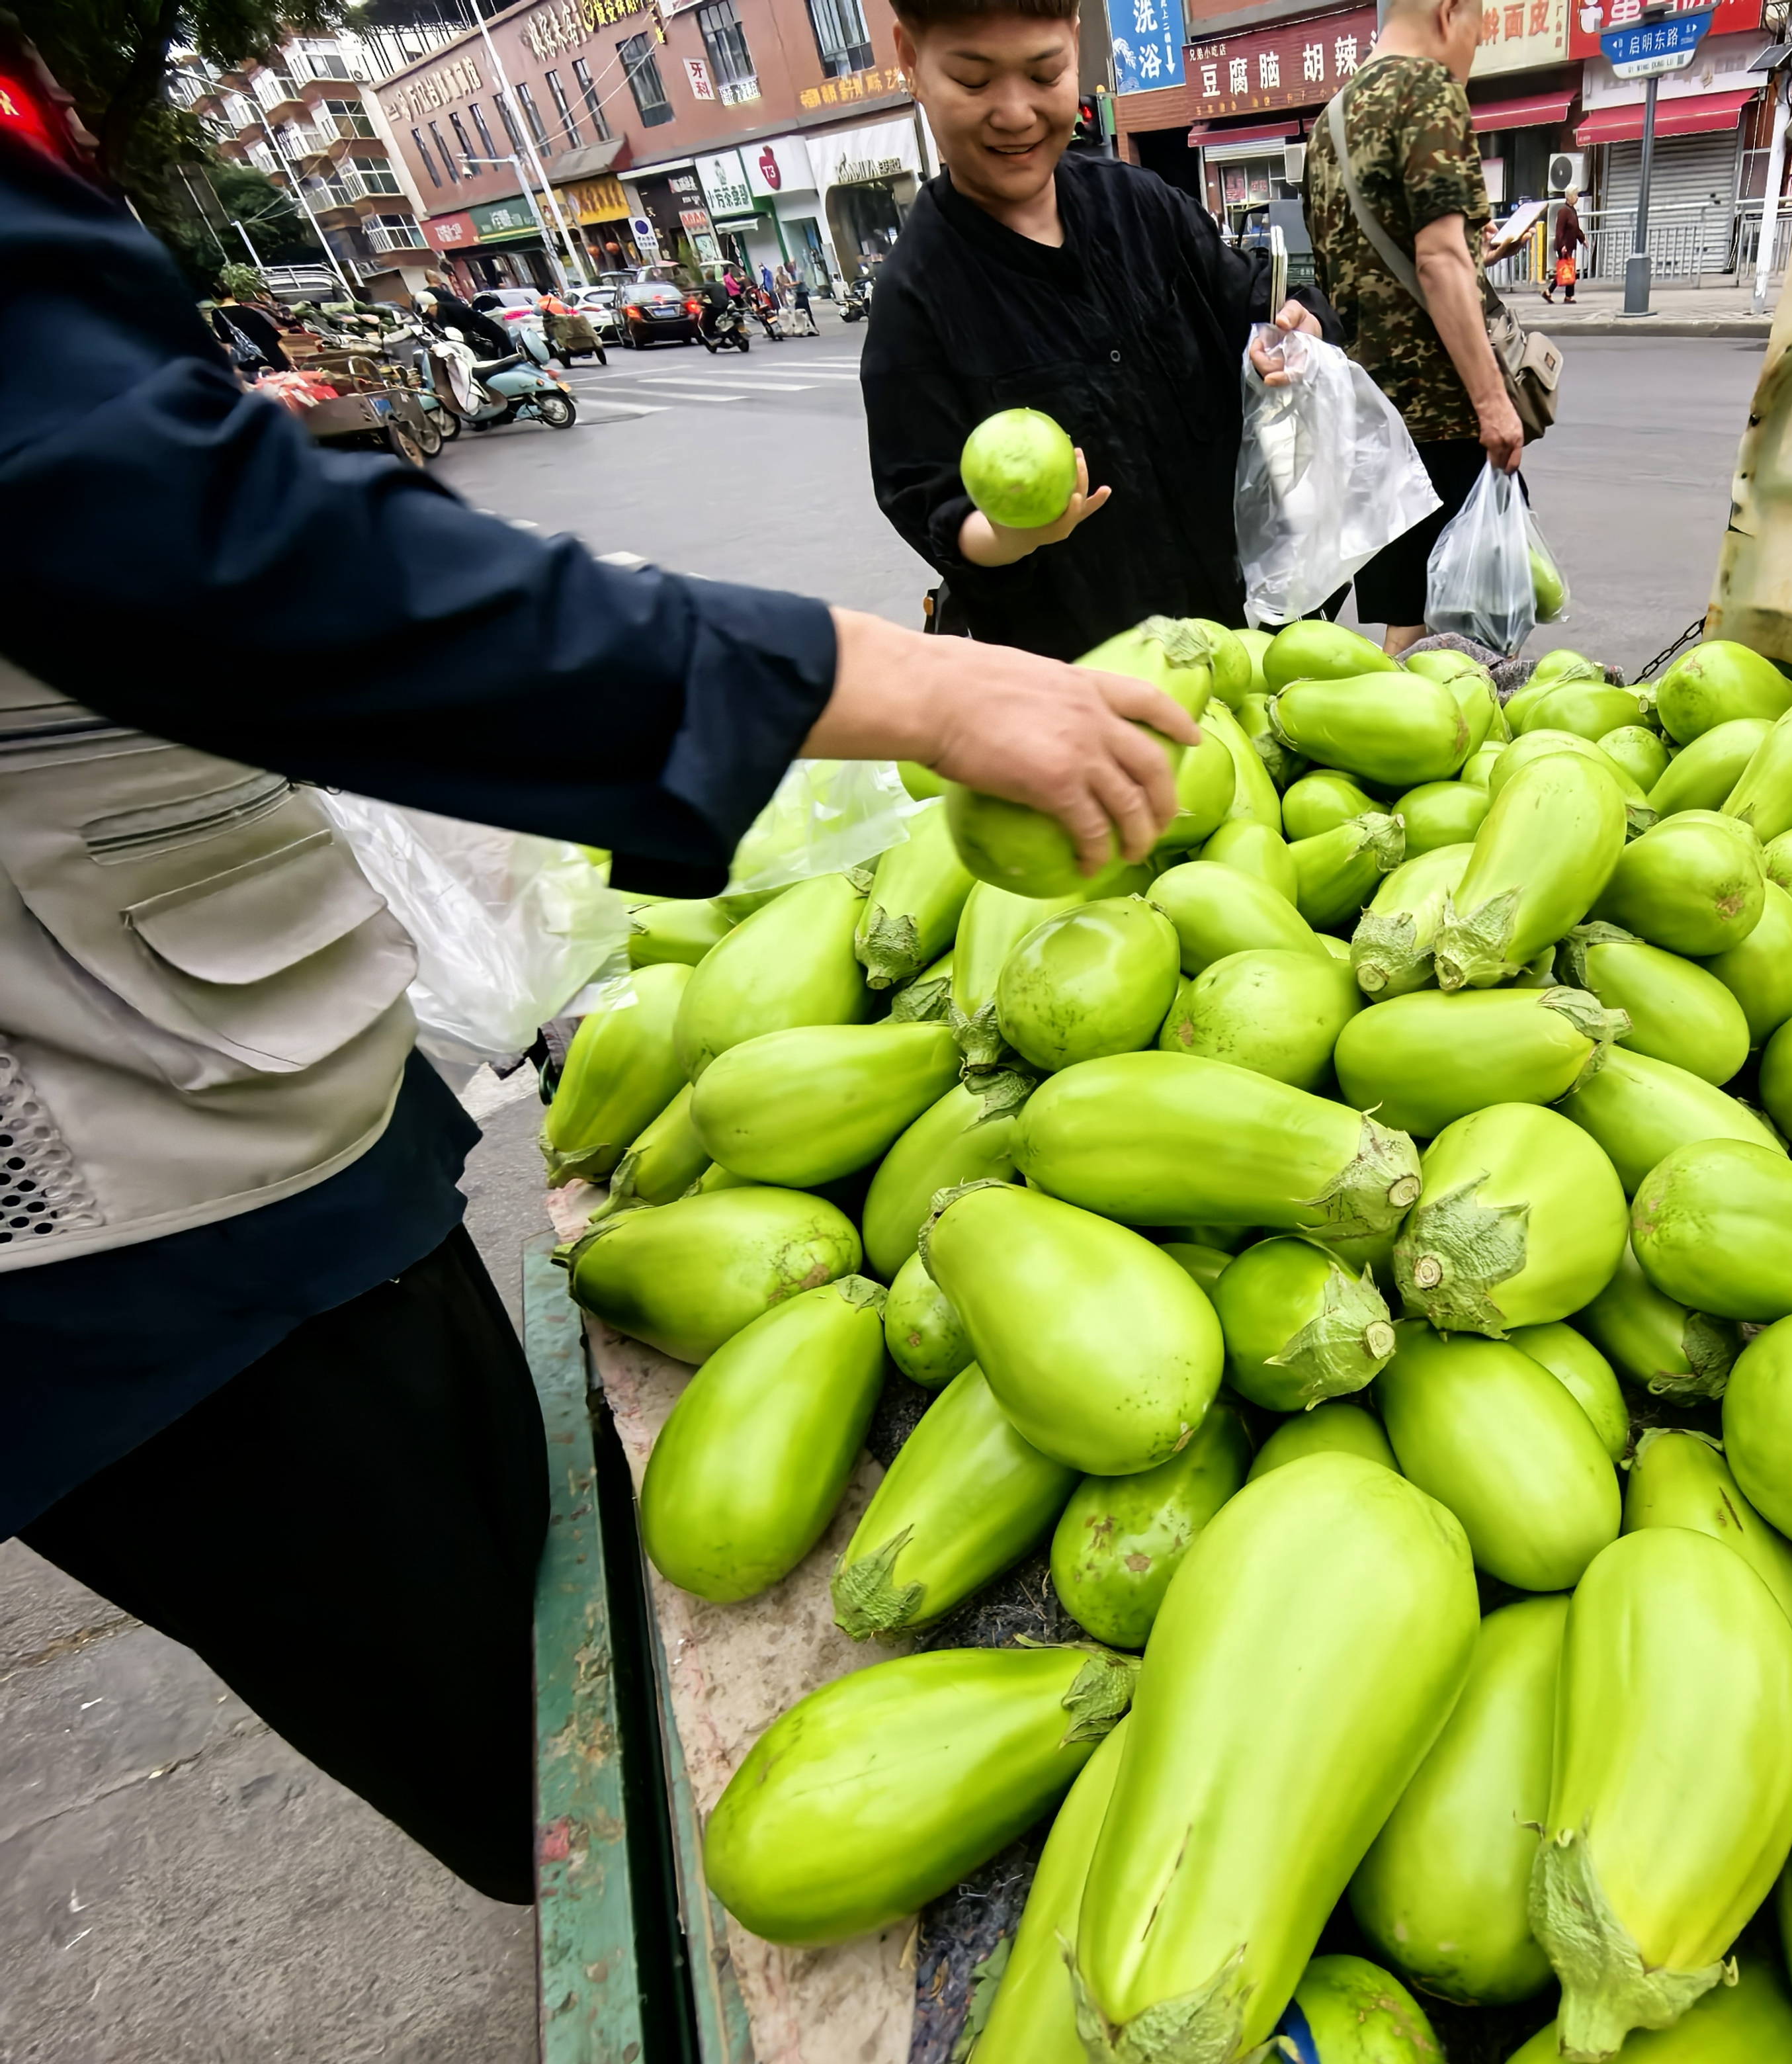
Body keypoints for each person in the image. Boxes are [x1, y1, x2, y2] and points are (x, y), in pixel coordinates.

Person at [0, 28, 1193, 1911]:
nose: (1030, 93)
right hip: (99, 1223)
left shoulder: (1144, 215)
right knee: (511, 1728)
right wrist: (897, 679)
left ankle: (596, 1859)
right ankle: (589, 1884)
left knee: (535, 1585)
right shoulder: (913, 289)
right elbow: (186, 531)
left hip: (248, 1105)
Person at [860, 0, 1334, 658]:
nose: (1016, 112)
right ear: (910, 61)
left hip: (1242, 639)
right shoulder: (915, 296)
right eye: (974, 81)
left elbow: (1255, 297)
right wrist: (1014, 534)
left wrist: (1294, 324)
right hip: (1086, 681)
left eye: (1044, 73)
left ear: (1074, 48)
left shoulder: (1143, 206)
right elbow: (927, 499)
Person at [1303, 0, 1526, 654]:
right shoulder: (1427, 89)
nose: (1471, 54)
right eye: (1476, 34)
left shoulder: (1330, 121)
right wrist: (1492, 406)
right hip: (1444, 415)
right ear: (1449, 11)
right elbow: (1434, 259)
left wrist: (1467, 255)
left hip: (1370, 421)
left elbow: (1358, 267)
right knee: (1477, 621)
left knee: (1409, 615)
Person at [1544, 188, 1584, 304]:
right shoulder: (1563, 211)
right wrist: (1562, 245)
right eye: (1576, 195)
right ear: (1570, 197)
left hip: (1569, 246)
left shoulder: (1572, 211)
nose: (1577, 197)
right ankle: (1558, 293)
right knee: (1566, 270)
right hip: (1564, 246)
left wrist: (1583, 239)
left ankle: (1562, 295)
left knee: (1568, 270)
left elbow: (1576, 229)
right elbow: (1559, 231)